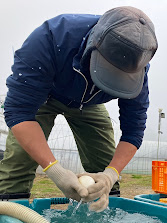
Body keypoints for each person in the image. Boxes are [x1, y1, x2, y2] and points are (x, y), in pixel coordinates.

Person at [0, 6, 158, 212]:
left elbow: (134, 130)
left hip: (89, 103)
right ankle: (11, 213)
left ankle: (105, 217)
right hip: (44, 96)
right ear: (93, 45)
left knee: (105, 160)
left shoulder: (137, 69)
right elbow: (19, 112)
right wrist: (55, 170)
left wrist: (110, 175)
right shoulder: (50, 39)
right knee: (19, 160)